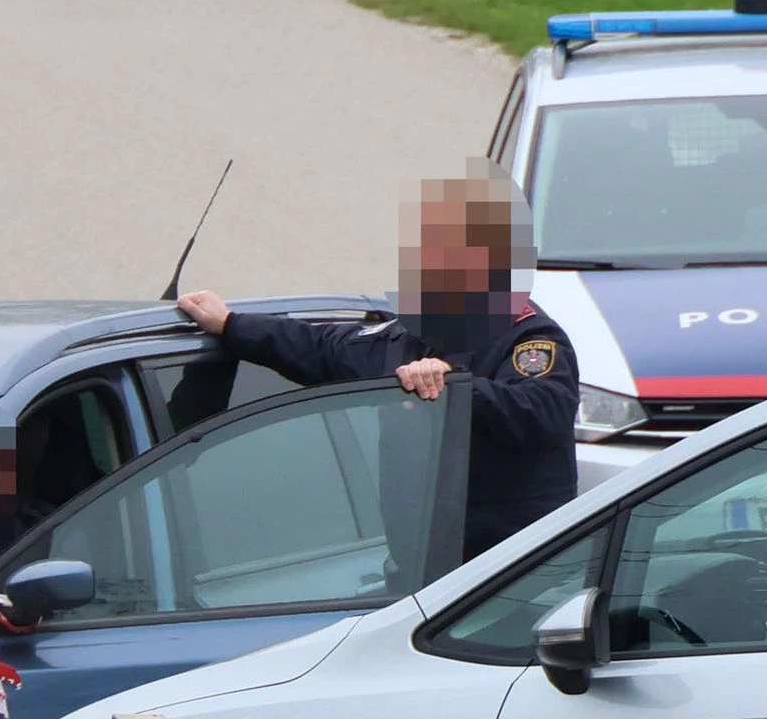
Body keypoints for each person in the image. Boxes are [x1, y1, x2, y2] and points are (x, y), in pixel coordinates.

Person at [178, 176, 577, 555]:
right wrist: (231, 325)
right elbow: (319, 348)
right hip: (422, 570)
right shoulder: (405, 338)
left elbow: (541, 411)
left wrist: (456, 388)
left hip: (510, 574)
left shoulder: (529, 337)